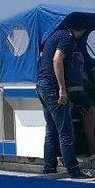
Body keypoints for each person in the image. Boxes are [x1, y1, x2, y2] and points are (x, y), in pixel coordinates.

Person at [36, 15, 89, 178]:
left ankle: (49, 167)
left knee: (51, 130)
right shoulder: (67, 38)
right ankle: (73, 170)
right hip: (52, 87)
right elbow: (57, 60)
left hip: (41, 85)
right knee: (65, 130)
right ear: (81, 30)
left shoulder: (55, 35)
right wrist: (62, 89)